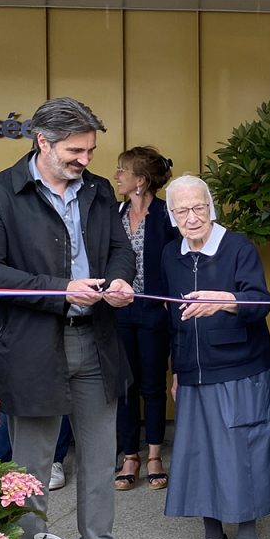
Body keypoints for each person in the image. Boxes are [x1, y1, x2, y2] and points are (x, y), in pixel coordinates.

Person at [0, 96, 156, 539]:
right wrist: (60, 288)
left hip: (96, 339)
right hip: (32, 346)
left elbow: (119, 248)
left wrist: (119, 279)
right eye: (75, 150)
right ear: (41, 142)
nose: (86, 160)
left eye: (91, 150)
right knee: (31, 466)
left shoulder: (95, 192)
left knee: (100, 456)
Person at [162, 174, 270, 539]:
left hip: (239, 369)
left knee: (239, 455)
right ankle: (214, 537)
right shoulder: (169, 255)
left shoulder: (237, 247)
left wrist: (226, 301)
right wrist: (176, 371)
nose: (192, 218)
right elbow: (170, 320)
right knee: (199, 455)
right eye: (182, 210)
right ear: (171, 214)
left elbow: (261, 301)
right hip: (193, 372)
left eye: (199, 208)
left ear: (211, 207)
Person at [113, 147, 177, 491]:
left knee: (152, 384)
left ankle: (154, 454)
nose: (116, 176)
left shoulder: (167, 215)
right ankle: (129, 456)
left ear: (140, 181)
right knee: (125, 386)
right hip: (120, 310)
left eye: (122, 171)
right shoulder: (114, 213)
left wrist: (171, 300)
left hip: (155, 309)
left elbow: (179, 259)